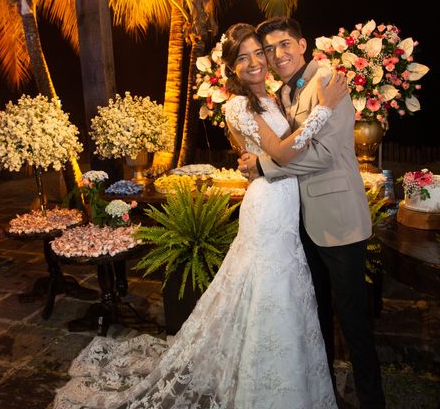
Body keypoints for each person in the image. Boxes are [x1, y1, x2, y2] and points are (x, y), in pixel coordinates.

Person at [53, 23, 347, 409]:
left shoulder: (276, 97)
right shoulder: (239, 106)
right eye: (244, 58)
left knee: (284, 290)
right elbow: (283, 151)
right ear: (232, 69)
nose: (256, 62)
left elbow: (277, 153)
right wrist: (324, 108)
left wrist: (268, 153)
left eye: (260, 53)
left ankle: (285, 377)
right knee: (268, 289)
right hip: (269, 207)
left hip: (284, 204)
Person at [238, 16, 385, 409]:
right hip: (300, 221)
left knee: (354, 322)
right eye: (269, 49)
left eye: (284, 44)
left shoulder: (326, 81)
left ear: (303, 45)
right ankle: (325, 394)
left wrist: (265, 165)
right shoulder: (286, 93)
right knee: (315, 314)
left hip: (339, 222)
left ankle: (373, 402)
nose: (276, 54)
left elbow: (324, 154)